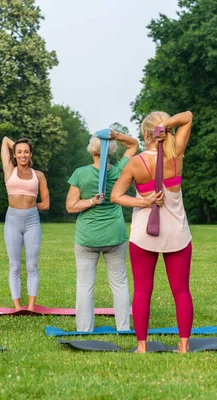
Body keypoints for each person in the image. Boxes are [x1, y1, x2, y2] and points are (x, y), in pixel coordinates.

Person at [111, 111, 193, 353]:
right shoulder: (176, 154)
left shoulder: (136, 162)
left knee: (143, 290)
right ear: (163, 131)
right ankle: (184, 345)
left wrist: (144, 202)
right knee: (181, 291)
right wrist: (167, 126)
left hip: (144, 235)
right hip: (177, 234)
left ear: (145, 133)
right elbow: (187, 116)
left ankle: (142, 346)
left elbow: (116, 196)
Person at [66, 130, 138, 332]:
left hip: (87, 237)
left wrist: (90, 201)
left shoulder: (80, 173)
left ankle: (84, 329)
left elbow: (70, 207)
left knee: (85, 284)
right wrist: (114, 135)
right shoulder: (119, 170)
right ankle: (123, 327)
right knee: (119, 282)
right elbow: (133, 144)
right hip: (114, 235)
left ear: (92, 151)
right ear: (111, 150)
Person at [1, 137, 50, 311]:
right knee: (14, 265)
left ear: (31, 154)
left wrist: (29, 206)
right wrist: (16, 145)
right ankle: (16, 307)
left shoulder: (39, 176)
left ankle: (30, 306)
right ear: (14, 154)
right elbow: (5, 140)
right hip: (12, 219)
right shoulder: (9, 170)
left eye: (26, 152)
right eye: (19, 152)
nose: (23, 155)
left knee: (32, 265)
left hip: (32, 221)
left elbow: (45, 204)